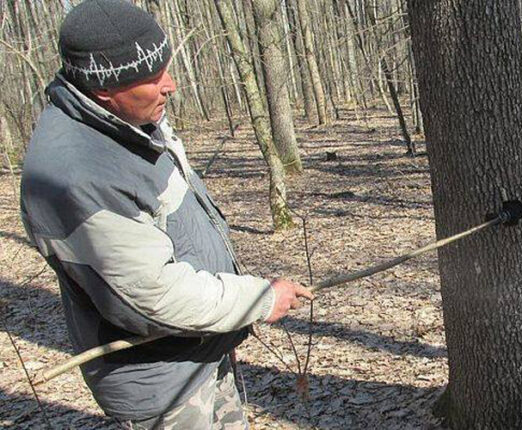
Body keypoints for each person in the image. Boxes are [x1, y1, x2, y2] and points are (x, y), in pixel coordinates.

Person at [18, 0, 313, 428]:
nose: (170, 85)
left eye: (166, 69)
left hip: (199, 346)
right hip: (163, 383)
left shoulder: (130, 119)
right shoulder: (76, 177)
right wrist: (257, 300)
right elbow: (153, 295)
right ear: (105, 90)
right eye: (153, 79)